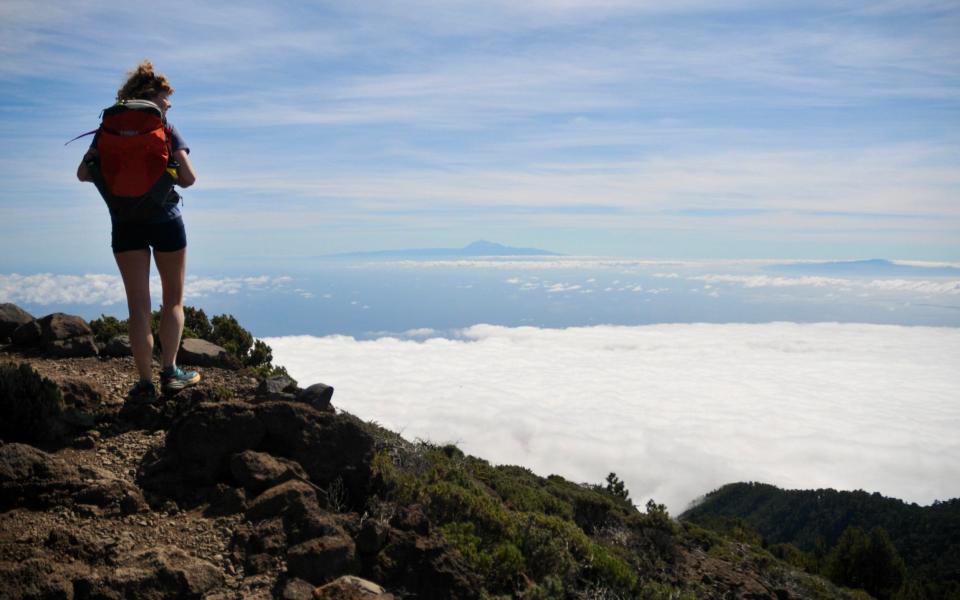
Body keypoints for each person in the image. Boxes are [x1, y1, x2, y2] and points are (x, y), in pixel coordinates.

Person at [77, 60, 200, 399]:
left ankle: (145, 384)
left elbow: (82, 174)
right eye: (166, 99)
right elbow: (189, 179)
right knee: (173, 300)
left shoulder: (108, 131)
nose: (169, 104)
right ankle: (170, 372)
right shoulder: (167, 129)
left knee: (137, 307)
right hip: (166, 220)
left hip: (125, 222)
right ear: (154, 98)